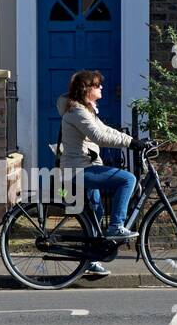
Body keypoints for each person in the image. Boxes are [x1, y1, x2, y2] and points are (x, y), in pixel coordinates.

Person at [56, 70, 142, 277]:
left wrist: (135, 142)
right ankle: (116, 226)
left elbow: (107, 130)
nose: (101, 88)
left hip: (83, 167)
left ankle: (90, 261)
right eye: (97, 85)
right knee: (127, 179)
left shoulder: (86, 110)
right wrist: (132, 143)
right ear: (87, 89)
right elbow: (99, 136)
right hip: (79, 170)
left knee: (96, 213)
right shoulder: (77, 112)